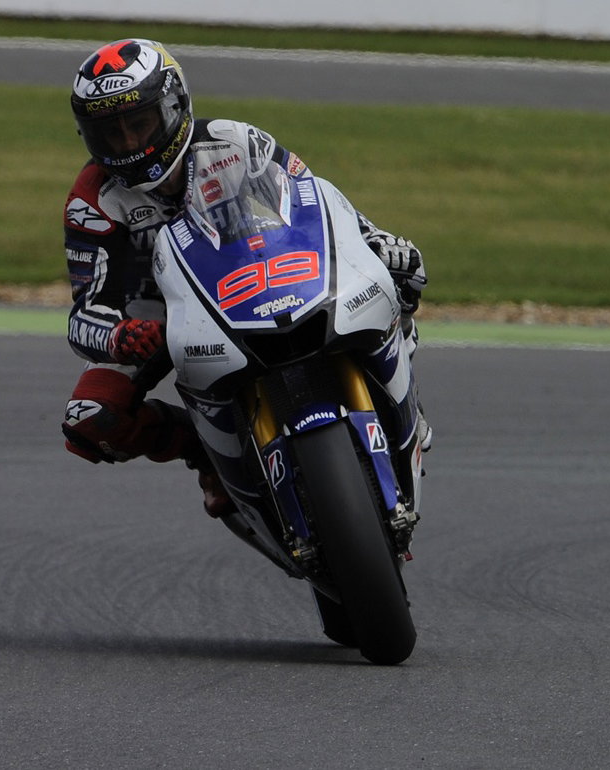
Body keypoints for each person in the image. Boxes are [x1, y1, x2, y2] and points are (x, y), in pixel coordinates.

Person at [59, 39, 430, 517]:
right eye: (111, 133)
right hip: (160, 319)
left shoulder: (236, 141)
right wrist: (120, 338)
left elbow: (321, 206)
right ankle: (206, 453)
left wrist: (378, 243)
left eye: (139, 124)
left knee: (395, 278)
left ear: (174, 108)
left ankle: (401, 400)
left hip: (254, 270)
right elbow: (83, 315)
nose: (129, 144)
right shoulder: (91, 201)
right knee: (88, 419)